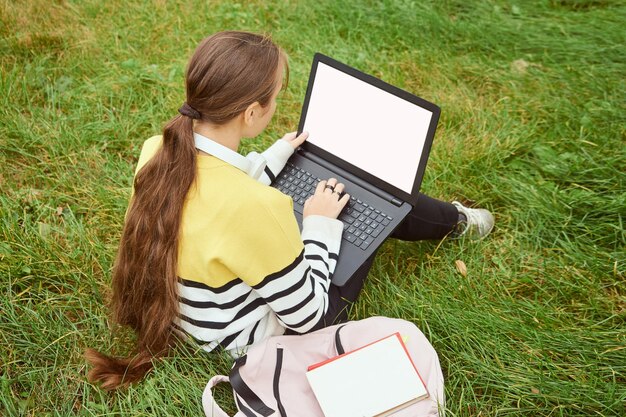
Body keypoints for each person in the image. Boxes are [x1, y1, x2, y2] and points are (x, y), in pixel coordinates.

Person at [85, 31, 494, 390]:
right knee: (370, 204)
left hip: (190, 320)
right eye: (278, 95)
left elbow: (222, 190)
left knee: (366, 199)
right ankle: (457, 221)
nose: (279, 102)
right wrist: (319, 226)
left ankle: (447, 218)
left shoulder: (158, 152)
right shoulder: (259, 207)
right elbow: (308, 318)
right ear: (251, 113)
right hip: (246, 341)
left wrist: (279, 154)